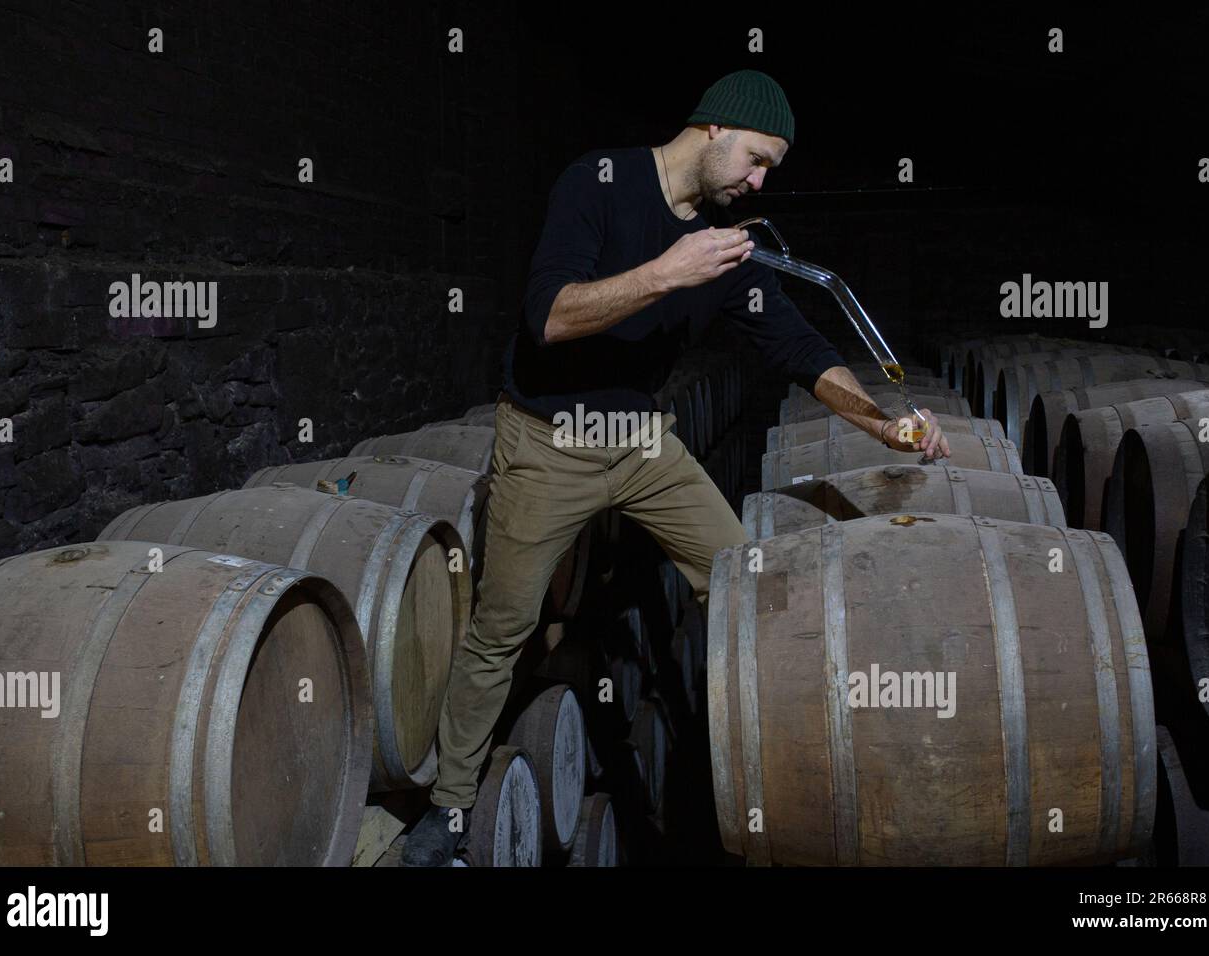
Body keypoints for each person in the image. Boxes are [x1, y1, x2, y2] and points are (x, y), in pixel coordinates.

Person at [401, 69, 950, 865]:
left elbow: (798, 346)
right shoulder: (599, 183)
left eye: (769, 172)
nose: (759, 182)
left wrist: (881, 424)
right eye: (757, 160)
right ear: (716, 128)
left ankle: (788, 771)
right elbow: (550, 316)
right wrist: (668, 271)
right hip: (551, 443)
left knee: (742, 583)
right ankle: (448, 810)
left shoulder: (731, 247)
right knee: (503, 628)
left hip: (646, 445)